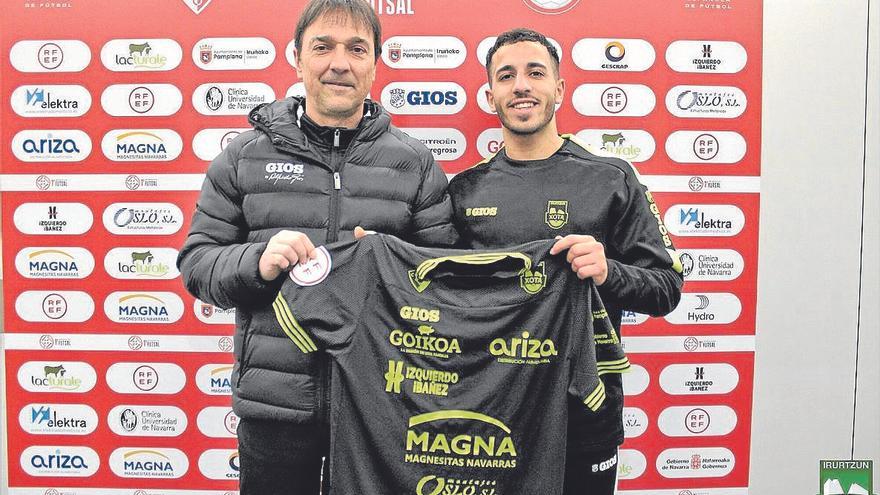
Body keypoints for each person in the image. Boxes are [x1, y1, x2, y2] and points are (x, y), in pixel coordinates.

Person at [177, 1, 455, 493]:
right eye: (322, 47)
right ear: (297, 57)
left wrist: (395, 268)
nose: (339, 63)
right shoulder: (243, 157)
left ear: (375, 62)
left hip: (382, 406)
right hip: (275, 406)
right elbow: (197, 264)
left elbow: (447, 282)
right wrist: (255, 261)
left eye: (356, 49)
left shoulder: (414, 164)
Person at [447, 28, 684, 494]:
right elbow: (433, 288)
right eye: (506, 75)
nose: (521, 86)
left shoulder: (611, 178)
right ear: (490, 93)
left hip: (584, 413)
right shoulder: (463, 191)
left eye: (536, 73)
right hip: (489, 410)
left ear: (559, 88)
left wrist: (608, 270)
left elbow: (666, 289)